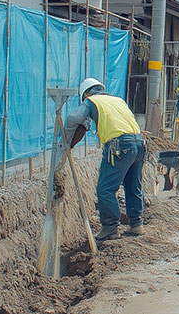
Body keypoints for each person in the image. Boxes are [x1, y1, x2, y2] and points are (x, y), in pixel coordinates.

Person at [66, 78, 145, 240]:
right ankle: (136, 224)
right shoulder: (118, 100)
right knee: (132, 185)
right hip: (139, 144)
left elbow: (73, 118)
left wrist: (65, 143)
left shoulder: (91, 101)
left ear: (86, 94)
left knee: (105, 189)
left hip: (120, 146)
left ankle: (110, 227)